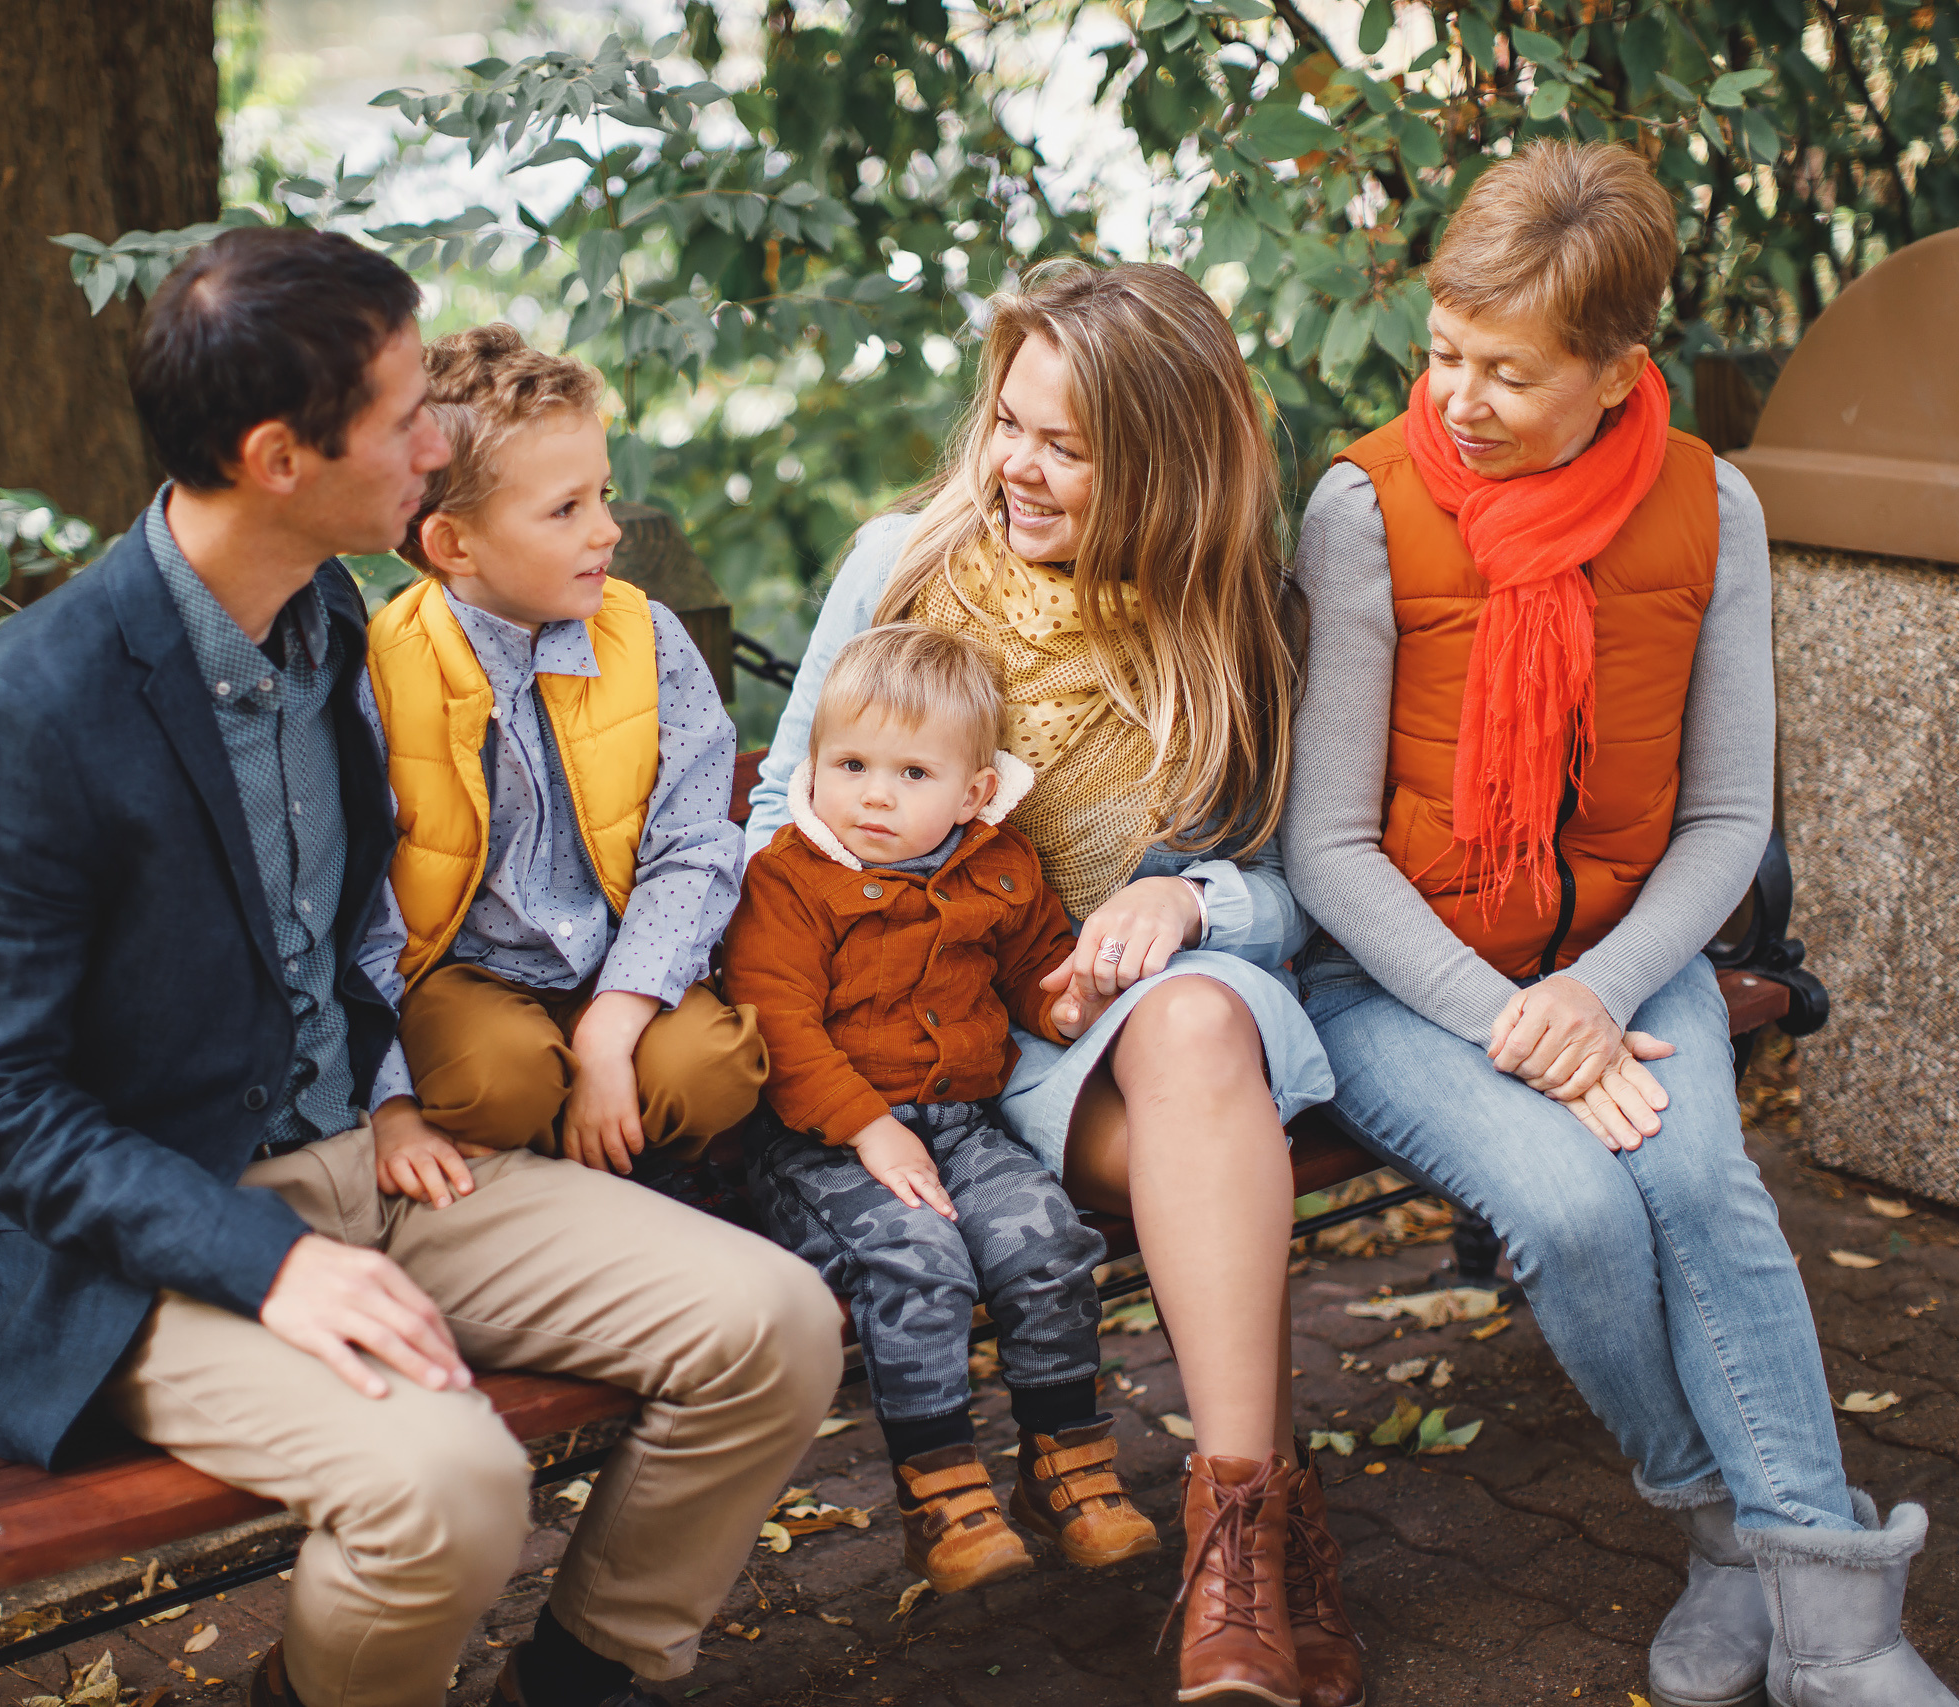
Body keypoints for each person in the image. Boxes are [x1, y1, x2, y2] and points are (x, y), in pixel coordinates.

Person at [0, 229, 843, 1707]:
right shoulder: (34, 710)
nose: (435, 442)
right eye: (407, 415)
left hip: (376, 1161)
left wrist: (391, 1093)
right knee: (452, 1482)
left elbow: (348, 929)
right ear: (282, 456)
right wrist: (267, 1258)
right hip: (142, 1258)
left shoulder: (324, 618)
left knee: (776, 1324)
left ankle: (585, 1676)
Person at [1284, 140, 1959, 1707]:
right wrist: (1520, 1018)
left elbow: (1727, 820)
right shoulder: (1363, 510)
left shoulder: (1714, 508)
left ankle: (1834, 1622)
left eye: (1507, 373)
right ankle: (1722, 1532)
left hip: (1622, 961)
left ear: (1615, 369)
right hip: (1400, 980)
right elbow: (1326, 848)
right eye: (1443, 351)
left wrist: (1596, 988)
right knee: (1578, 1210)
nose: (1454, 396)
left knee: (1704, 1182)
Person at [748, 261, 1364, 1707]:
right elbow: (782, 802)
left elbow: (1290, 896)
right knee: (1207, 1167)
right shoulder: (906, 566)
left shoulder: (1237, 630)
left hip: (1129, 1018)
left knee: (1203, 1017)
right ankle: (1284, 1536)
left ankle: (1227, 1559)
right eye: (1010, 420)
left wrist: (1187, 890)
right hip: (948, 1039)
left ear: (1160, 461)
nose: (1015, 464)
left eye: (1066, 444)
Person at [722, 622, 1156, 1597]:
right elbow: (775, 1026)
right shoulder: (790, 880)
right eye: (851, 764)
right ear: (815, 764)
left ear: (972, 794)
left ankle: (1066, 1465)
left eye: (912, 775)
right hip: (821, 1142)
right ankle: (940, 1492)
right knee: (916, 1259)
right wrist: (868, 1128)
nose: (873, 793)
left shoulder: (998, 868)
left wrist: (1068, 1000)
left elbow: (1035, 977)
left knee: (1044, 1239)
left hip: (961, 1126)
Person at [353, 323, 765, 1201]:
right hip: (468, 975)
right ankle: (577, 1189)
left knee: (712, 1069)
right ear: (452, 545)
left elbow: (692, 842)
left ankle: (615, 1160)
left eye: (604, 495)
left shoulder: (647, 637)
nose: (608, 531)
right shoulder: (383, 672)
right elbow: (361, 902)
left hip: (620, 957)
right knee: (495, 1083)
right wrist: (389, 1099)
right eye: (566, 509)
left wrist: (614, 1027)